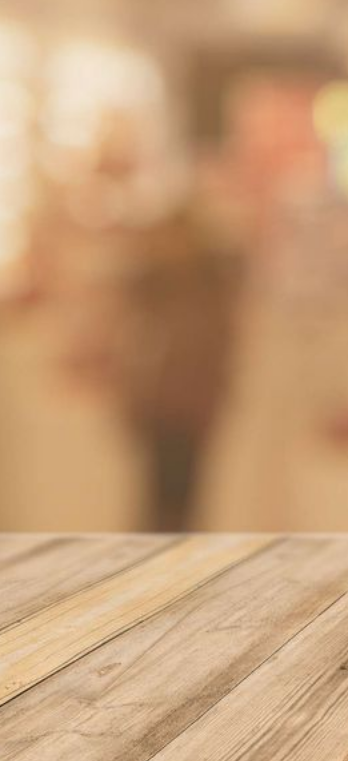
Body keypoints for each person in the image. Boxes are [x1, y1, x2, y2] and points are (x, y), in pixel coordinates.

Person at [114, 204, 240, 531]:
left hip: (188, 407)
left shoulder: (207, 291)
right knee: (158, 495)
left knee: (184, 498)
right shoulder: (153, 289)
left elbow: (218, 351)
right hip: (163, 406)